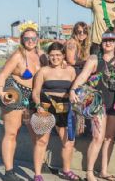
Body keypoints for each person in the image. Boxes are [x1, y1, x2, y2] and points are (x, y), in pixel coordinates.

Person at [69, 32, 115, 181]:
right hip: (98, 103)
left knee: (109, 138)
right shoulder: (95, 59)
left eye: (111, 40)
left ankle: (104, 171)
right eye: (105, 40)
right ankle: (90, 172)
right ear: (101, 42)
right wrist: (73, 89)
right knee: (97, 137)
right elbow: (83, 76)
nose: (108, 43)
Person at [0, 22, 46, 181]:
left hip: (34, 97)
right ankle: (9, 172)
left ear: (38, 39)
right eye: (27, 38)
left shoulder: (41, 55)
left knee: (37, 133)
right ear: (22, 39)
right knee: (11, 133)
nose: (30, 41)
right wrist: (1, 92)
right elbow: (3, 74)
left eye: (33, 38)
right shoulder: (18, 55)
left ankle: (39, 164)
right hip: (16, 93)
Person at [32, 42, 79, 181]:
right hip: (46, 107)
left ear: (63, 55)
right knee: (41, 142)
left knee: (68, 142)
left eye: (58, 55)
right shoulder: (43, 71)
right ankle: (37, 174)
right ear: (48, 56)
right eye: (52, 55)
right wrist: (38, 105)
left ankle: (66, 170)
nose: (55, 58)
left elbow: (75, 89)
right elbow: (35, 92)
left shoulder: (70, 70)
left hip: (65, 108)